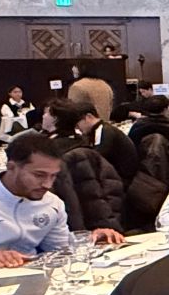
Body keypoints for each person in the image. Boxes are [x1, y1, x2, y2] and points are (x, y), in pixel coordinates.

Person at [0, 132, 121, 283]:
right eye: (39, 175)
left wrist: (90, 240)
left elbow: (60, 252)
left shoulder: (51, 203)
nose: (48, 184)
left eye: (53, 176)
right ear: (11, 167)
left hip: (25, 285)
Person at [45, 100, 126, 233]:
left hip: (73, 220)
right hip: (99, 211)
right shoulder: (82, 141)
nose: (43, 117)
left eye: (46, 113)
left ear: (56, 119)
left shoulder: (53, 151)